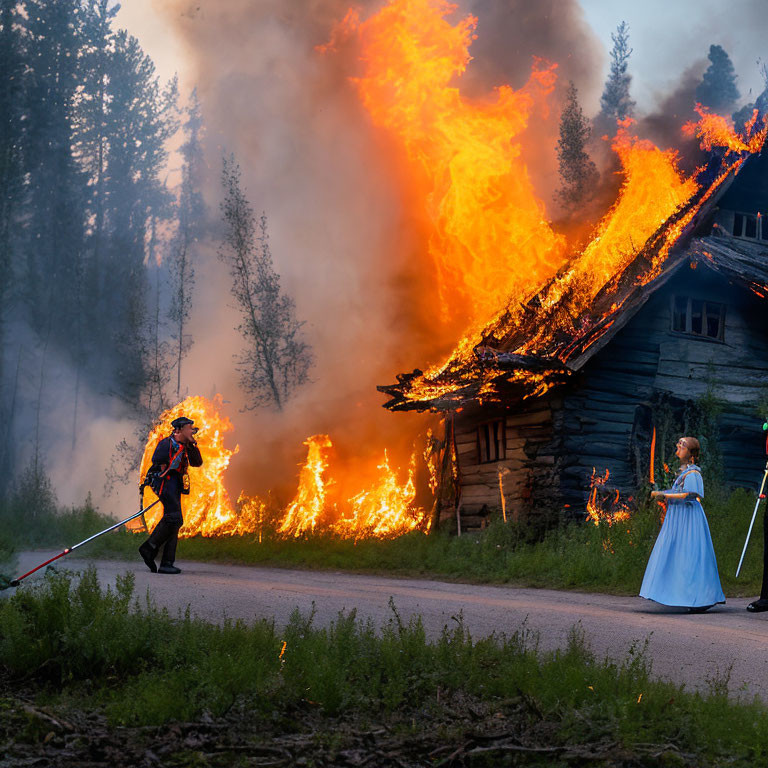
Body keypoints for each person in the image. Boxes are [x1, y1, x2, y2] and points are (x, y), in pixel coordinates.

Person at [640, 436, 725, 612]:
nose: (678, 446)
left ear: (692, 454)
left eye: (683, 445)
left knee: (690, 554)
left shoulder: (693, 474)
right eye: (678, 443)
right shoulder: (683, 472)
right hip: (678, 517)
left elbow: (691, 494)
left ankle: (700, 598)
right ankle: (671, 592)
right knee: (674, 553)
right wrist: (662, 493)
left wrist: (665, 495)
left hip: (688, 518)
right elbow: (678, 491)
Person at [138, 416, 203, 575]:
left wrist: (193, 445)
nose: (192, 430)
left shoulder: (186, 445)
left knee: (174, 522)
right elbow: (158, 461)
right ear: (179, 429)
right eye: (189, 428)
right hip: (164, 481)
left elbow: (197, 462)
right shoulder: (166, 443)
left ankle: (167, 563)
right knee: (175, 518)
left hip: (175, 483)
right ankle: (148, 548)